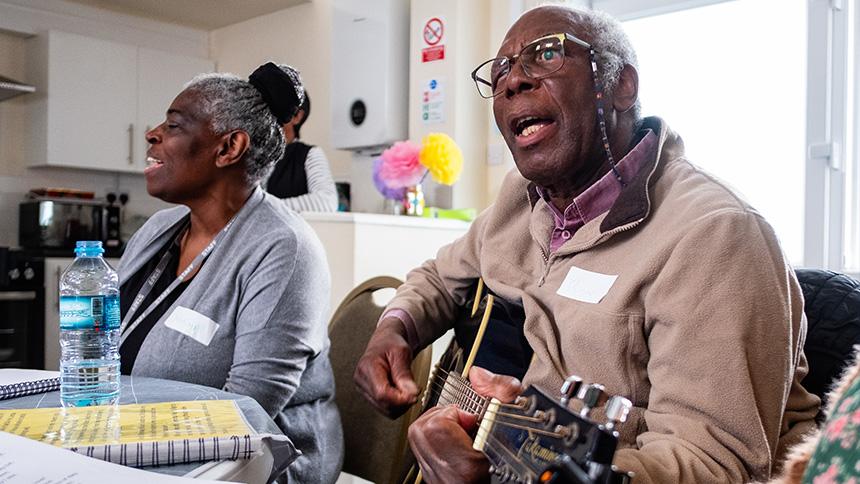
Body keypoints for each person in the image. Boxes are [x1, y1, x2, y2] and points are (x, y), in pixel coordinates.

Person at [354, 6, 820, 483]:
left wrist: (528, 460)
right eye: (501, 71)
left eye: (547, 53)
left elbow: (715, 467)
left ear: (623, 85)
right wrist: (395, 328)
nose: (513, 80)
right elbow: (437, 277)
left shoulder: (716, 236)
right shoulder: (523, 199)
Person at [117, 63, 342, 483]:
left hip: (254, 464)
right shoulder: (156, 231)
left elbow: (243, 412)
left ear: (228, 148)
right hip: (136, 445)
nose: (152, 134)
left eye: (174, 125)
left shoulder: (284, 249)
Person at [263, 64, 338, 212]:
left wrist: (265, 209)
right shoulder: (254, 154)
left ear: (297, 116)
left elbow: (327, 202)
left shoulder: (309, 155)